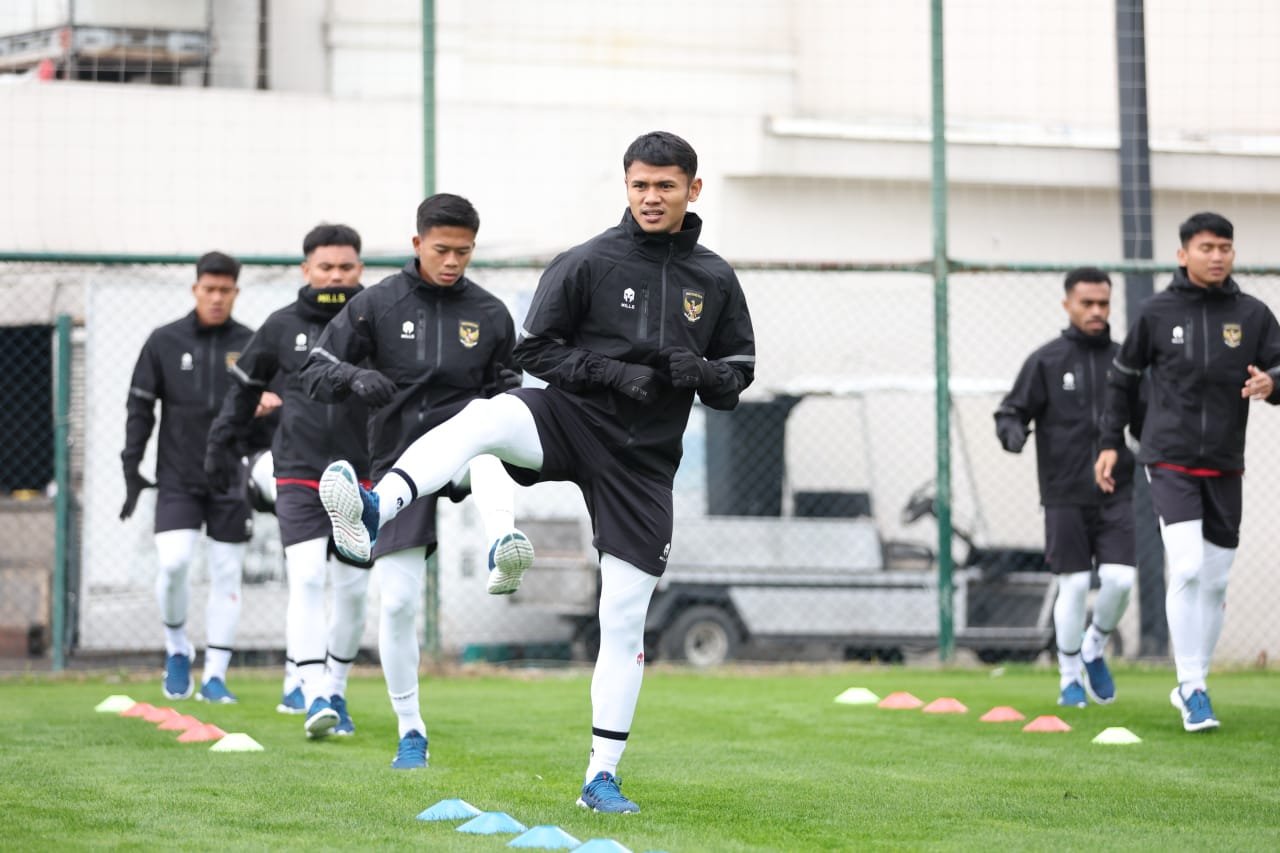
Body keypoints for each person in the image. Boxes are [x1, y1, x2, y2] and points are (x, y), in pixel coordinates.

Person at [315, 131, 756, 811]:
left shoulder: (717, 278)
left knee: (624, 615)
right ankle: (377, 504)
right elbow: (538, 351)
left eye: (665, 185)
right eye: (640, 183)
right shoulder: (587, 262)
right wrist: (610, 372)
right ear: (626, 185)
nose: (651, 196)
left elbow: (737, 377)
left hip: (643, 463)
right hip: (571, 421)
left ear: (693, 190)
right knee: (485, 417)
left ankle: (599, 777)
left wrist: (696, 371)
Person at [299, 193, 530, 768]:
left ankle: (505, 542)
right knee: (398, 603)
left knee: (485, 438)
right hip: (399, 462)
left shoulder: (492, 313)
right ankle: (411, 731)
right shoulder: (374, 305)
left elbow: (510, 391)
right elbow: (315, 370)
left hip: (469, 450)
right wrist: (355, 377)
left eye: (464, 251)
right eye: (442, 250)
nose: (452, 261)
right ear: (416, 244)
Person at [1096, 212, 1280, 732]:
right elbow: (1122, 381)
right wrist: (1112, 441)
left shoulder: (1253, 315)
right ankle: (1193, 685)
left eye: (1225, 246)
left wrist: (1273, 382)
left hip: (1225, 463)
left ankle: (1193, 681)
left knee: (1216, 582)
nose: (1217, 255)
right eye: (1206, 247)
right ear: (1183, 254)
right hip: (1169, 458)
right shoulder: (1156, 313)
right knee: (1189, 567)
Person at [206, 224, 373, 739]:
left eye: (346, 267)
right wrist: (221, 446)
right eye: (326, 267)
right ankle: (314, 693)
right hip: (297, 472)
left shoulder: (378, 320)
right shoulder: (281, 327)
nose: (336, 276)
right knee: (304, 579)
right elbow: (243, 390)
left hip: (363, 475)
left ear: (359, 269)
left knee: (350, 591)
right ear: (306, 270)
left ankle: (338, 689)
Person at [120, 251, 279, 704]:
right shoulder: (164, 341)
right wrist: (131, 467)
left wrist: (267, 411)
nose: (216, 298)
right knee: (172, 564)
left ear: (235, 293)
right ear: (195, 289)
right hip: (177, 477)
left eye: (224, 291)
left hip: (231, 479)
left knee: (227, 572)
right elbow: (139, 408)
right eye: (208, 289)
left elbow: (273, 417)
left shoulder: (253, 344)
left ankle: (215, 676)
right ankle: (176, 648)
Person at [995, 268, 1140, 708]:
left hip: (1117, 490)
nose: (1096, 311)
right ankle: (1069, 675)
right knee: (1074, 585)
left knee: (1119, 579)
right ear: (1068, 304)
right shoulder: (1047, 361)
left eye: (1103, 303)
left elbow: (1153, 418)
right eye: (1087, 303)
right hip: (1063, 492)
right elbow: (1010, 412)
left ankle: (1095, 643)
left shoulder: (1125, 361)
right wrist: (1013, 433)